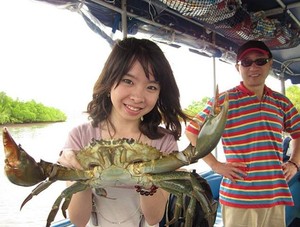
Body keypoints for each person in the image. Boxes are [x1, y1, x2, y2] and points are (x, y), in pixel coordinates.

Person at [57, 37, 190, 227]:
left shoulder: (163, 143)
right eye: (128, 81)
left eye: (151, 87)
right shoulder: (80, 137)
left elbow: (154, 218)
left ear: (160, 93)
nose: (137, 96)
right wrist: (80, 175)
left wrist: (147, 181)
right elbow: (78, 220)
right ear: (110, 80)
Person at [185, 40, 300, 227]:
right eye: (246, 62)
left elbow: (297, 132)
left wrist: (294, 163)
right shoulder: (224, 100)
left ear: (270, 63)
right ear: (237, 67)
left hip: (275, 196)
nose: (253, 67)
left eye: (260, 61)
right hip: (239, 198)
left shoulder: (281, 102)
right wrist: (215, 165)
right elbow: (191, 131)